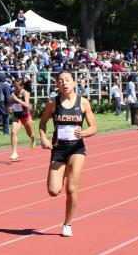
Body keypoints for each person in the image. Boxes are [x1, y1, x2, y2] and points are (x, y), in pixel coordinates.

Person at [38, 70, 97, 238]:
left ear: (74, 83)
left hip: (76, 148)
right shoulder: (53, 103)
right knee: (53, 191)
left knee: (71, 188)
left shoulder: (83, 102)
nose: (64, 83)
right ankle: (63, 172)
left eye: (67, 80)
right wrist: (43, 138)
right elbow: (42, 122)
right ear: (57, 85)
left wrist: (83, 133)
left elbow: (93, 127)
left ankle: (67, 224)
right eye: (60, 81)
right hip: (58, 149)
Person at [8, 78, 36, 160]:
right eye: (14, 86)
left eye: (17, 86)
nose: (15, 88)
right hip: (17, 116)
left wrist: (17, 99)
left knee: (31, 135)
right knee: (13, 132)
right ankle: (14, 152)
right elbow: (10, 104)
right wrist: (9, 106)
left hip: (26, 116)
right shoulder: (14, 93)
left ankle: (33, 140)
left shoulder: (25, 93)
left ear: (21, 86)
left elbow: (27, 105)